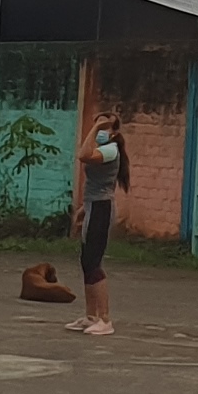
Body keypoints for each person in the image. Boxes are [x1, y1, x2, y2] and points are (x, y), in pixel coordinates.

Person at [70, 108, 130, 335]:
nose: (100, 130)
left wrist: (96, 127)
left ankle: (105, 319)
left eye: (105, 127)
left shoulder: (111, 150)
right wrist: (84, 208)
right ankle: (91, 316)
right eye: (98, 125)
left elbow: (83, 155)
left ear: (114, 132)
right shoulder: (103, 148)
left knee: (94, 262)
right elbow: (98, 184)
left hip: (102, 209)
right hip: (94, 205)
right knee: (86, 261)